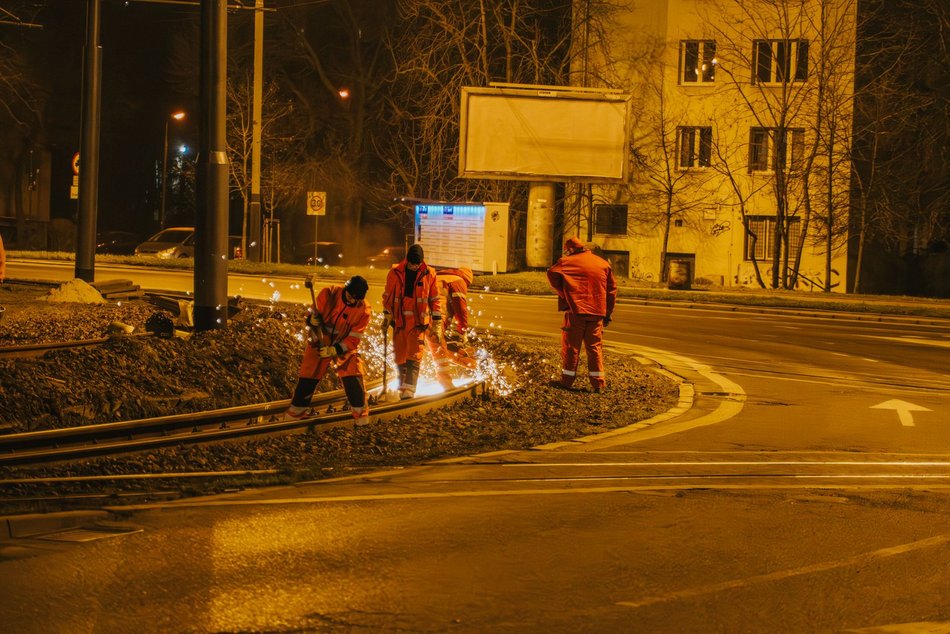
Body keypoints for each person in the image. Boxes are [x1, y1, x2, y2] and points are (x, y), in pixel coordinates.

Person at [287, 275, 372, 424]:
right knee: (309, 373)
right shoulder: (329, 293)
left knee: (353, 371)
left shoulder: (364, 310)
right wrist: (311, 320)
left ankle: (361, 418)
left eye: (355, 300)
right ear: (346, 289)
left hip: (342, 345)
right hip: (320, 339)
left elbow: (353, 338)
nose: (351, 301)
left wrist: (335, 350)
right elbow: (312, 312)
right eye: (350, 296)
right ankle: (295, 414)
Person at [547, 237, 617, 393]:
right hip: (597, 312)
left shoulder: (566, 262)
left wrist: (564, 292)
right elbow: (611, 291)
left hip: (576, 311)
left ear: (570, 250)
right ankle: (598, 384)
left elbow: (551, 273)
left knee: (572, 347)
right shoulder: (603, 264)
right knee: (594, 348)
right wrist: (607, 313)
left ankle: (567, 382)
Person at [381, 244, 441, 399]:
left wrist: (437, 322)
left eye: (417, 264)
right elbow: (387, 295)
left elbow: (434, 299)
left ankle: (409, 390)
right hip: (399, 321)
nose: (414, 267)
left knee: (414, 355)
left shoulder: (429, 273)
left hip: (418, 323)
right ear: (407, 260)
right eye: (412, 264)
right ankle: (402, 386)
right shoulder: (395, 272)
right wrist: (387, 315)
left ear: (421, 262)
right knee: (400, 356)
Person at [426, 267, 475, 389]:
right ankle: (447, 385)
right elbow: (460, 308)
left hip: (418, 316)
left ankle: (406, 385)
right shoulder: (459, 281)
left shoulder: (437, 277)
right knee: (440, 352)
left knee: (421, 351)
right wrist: (462, 330)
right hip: (434, 319)